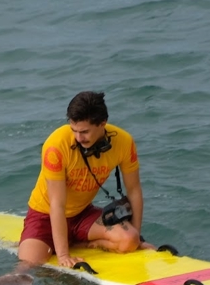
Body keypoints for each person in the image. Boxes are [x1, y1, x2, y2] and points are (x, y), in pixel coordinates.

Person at [17, 91, 153, 269]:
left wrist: (138, 240)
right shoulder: (56, 146)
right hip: (45, 216)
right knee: (28, 266)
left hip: (82, 215)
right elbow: (57, 204)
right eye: (74, 130)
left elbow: (134, 190)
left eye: (84, 132)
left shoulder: (124, 142)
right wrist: (63, 255)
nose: (78, 138)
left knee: (129, 240)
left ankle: (83, 242)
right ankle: (65, 244)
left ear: (102, 123)